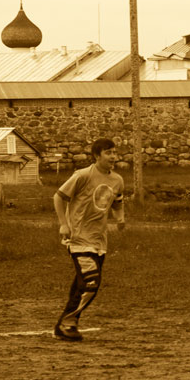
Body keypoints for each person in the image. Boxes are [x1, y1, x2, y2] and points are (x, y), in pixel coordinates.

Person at [52, 138, 125, 341]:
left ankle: (67, 325)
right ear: (97, 155)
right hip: (78, 239)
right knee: (91, 283)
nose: (113, 157)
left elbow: (118, 201)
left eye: (114, 153)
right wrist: (63, 224)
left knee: (81, 285)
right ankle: (66, 323)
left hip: (100, 242)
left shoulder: (117, 179)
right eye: (109, 153)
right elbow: (58, 197)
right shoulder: (83, 175)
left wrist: (120, 218)